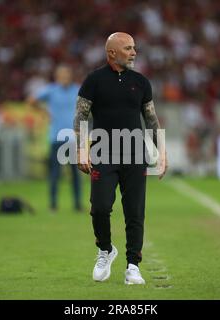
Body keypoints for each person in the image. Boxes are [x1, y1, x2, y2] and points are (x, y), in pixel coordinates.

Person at [73, 32, 167, 285]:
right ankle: (105, 249)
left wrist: (162, 152)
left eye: (134, 47)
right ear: (111, 52)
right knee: (100, 207)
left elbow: (151, 118)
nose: (134, 52)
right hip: (103, 152)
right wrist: (81, 148)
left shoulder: (141, 82)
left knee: (135, 212)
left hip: (135, 153)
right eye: (128, 48)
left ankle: (133, 266)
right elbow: (81, 117)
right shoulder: (94, 80)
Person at [28, 65, 82, 212]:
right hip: (56, 137)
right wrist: (44, 111)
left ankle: (77, 204)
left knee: (75, 173)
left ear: (70, 76)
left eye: (67, 75)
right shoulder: (51, 90)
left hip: (72, 137)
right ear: (57, 77)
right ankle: (53, 205)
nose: (64, 78)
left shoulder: (77, 89)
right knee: (55, 173)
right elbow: (32, 100)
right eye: (62, 75)